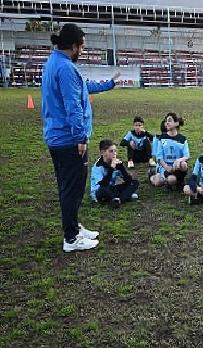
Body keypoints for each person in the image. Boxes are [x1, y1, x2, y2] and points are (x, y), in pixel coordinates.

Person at [42, 23, 120, 252]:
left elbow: (81, 89)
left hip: (58, 138)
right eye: (82, 46)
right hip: (68, 140)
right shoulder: (65, 68)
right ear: (74, 46)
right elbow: (73, 106)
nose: (83, 51)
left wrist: (109, 84)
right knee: (72, 189)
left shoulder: (55, 63)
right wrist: (81, 138)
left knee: (68, 187)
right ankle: (71, 238)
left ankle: (74, 227)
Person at [90, 139, 139, 208]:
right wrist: (111, 168)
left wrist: (121, 168)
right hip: (99, 192)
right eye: (111, 151)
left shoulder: (115, 162)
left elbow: (128, 181)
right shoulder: (98, 167)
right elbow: (103, 184)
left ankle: (118, 200)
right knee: (104, 189)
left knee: (134, 182)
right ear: (102, 152)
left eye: (115, 151)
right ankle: (124, 197)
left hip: (111, 189)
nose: (114, 153)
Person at [150, 113, 190, 189]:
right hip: (165, 166)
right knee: (158, 183)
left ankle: (179, 181)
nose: (167, 123)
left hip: (176, 166)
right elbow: (159, 157)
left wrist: (179, 160)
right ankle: (152, 175)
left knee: (183, 164)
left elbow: (187, 156)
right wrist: (166, 166)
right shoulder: (161, 138)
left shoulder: (182, 139)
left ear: (176, 123)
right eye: (166, 121)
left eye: (169, 120)